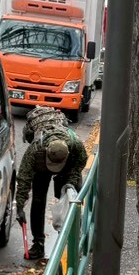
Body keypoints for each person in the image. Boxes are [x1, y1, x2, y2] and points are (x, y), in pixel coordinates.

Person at [14, 108, 87, 262]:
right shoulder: (36, 149)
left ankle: (75, 240)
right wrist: (20, 207)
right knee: (38, 200)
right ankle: (38, 244)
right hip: (42, 164)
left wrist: (71, 182)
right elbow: (24, 177)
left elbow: (80, 162)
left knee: (72, 197)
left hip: (67, 166)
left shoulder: (75, 144)